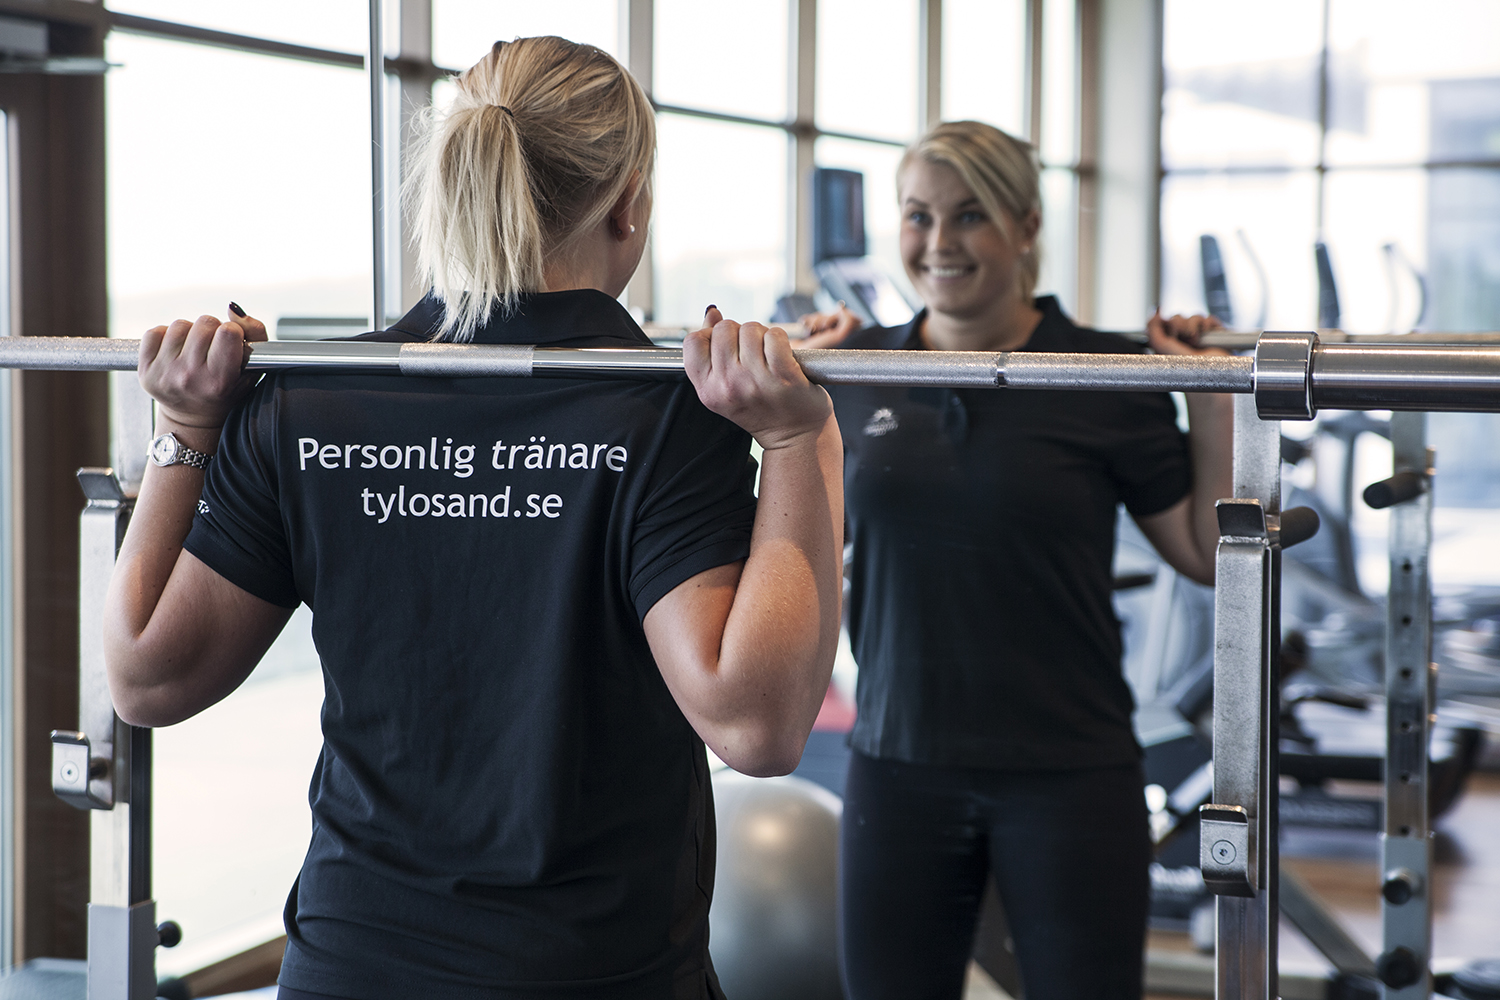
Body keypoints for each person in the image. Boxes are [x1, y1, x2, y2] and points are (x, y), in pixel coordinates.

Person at [102, 36, 844, 1000]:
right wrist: (800, 440)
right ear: (630, 204)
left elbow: (143, 676)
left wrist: (187, 429)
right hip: (586, 977)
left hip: (351, 967)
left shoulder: (308, 401)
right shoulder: (663, 416)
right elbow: (756, 727)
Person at [799, 120, 1232, 1000]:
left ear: (1027, 225)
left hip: (1070, 771)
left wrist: (1213, 394)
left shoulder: (1107, 373)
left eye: (970, 215)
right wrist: (794, 398)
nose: (939, 242)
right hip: (899, 763)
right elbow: (795, 551)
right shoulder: (857, 367)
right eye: (918, 216)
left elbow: (1203, 554)